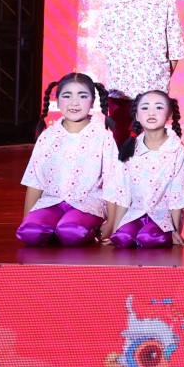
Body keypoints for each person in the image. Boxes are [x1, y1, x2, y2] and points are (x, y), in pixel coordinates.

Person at [98, 0, 184, 139]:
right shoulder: (113, 4)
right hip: (120, 92)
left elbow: (174, 53)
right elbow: (106, 49)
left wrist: (157, 79)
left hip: (153, 93)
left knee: (151, 144)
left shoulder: (166, 5)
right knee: (121, 145)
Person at [17, 72, 115, 247]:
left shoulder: (103, 137)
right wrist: (27, 218)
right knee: (29, 233)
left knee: (71, 232)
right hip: (52, 202)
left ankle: (80, 229)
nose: (74, 103)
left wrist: (112, 224)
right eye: (67, 96)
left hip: (87, 203)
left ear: (92, 101)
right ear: (57, 100)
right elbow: (35, 180)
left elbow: (114, 183)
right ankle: (53, 229)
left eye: (82, 96)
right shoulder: (47, 136)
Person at [101, 90, 184, 248]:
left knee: (147, 237)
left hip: (163, 217)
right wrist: (115, 231)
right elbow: (124, 194)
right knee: (122, 238)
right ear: (136, 115)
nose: (151, 113)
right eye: (145, 108)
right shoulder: (130, 148)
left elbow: (177, 195)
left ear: (169, 114)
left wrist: (175, 231)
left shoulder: (177, 150)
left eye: (158, 107)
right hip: (135, 213)